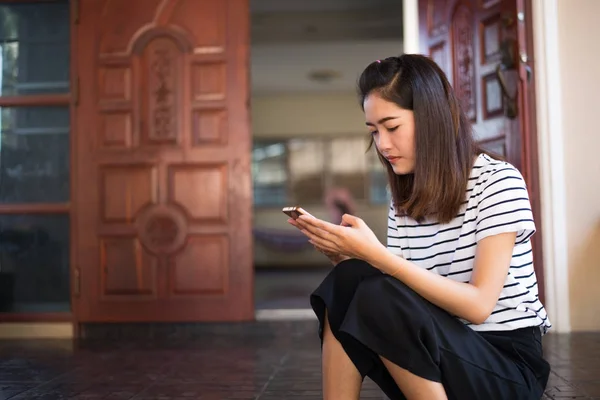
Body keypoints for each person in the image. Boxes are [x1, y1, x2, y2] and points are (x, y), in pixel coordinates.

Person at [288, 54, 551, 400]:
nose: (382, 144)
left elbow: (478, 306)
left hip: (505, 366)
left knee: (377, 291)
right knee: (348, 280)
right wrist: (352, 257)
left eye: (392, 127)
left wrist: (378, 258)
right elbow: (404, 297)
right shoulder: (404, 195)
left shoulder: (498, 181)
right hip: (438, 350)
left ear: (432, 119)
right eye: (374, 131)